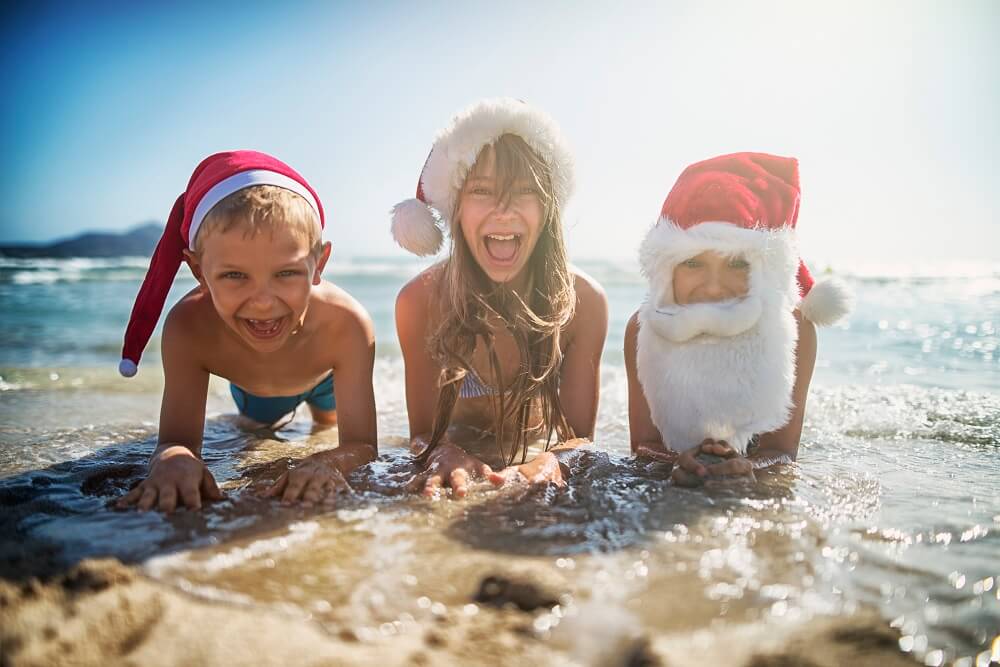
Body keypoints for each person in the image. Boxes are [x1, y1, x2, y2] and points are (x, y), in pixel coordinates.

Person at [116, 151, 377, 512]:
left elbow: (362, 446)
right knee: (255, 428)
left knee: (325, 429)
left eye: (286, 273)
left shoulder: (346, 325)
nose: (263, 303)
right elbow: (176, 442)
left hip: (327, 376)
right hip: (255, 391)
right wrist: (173, 460)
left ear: (319, 263)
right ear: (197, 270)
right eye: (235, 275)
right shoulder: (188, 328)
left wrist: (327, 461)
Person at [391, 99, 608, 497]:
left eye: (525, 190)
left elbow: (580, 440)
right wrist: (441, 452)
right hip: (459, 447)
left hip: (531, 445)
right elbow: (421, 435)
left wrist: (551, 460)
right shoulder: (420, 302)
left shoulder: (582, 303)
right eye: (481, 191)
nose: (504, 210)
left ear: (548, 208)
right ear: (455, 208)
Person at [624, 152, 851, 486]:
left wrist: (747, 467)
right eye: (692, 263)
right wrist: (678, 462)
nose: (714, 288)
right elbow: (643, 448)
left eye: (737, 263)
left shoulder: (795, 330)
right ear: (666, 270)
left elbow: (782, 451)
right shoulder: (642, 330)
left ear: (764, 270)